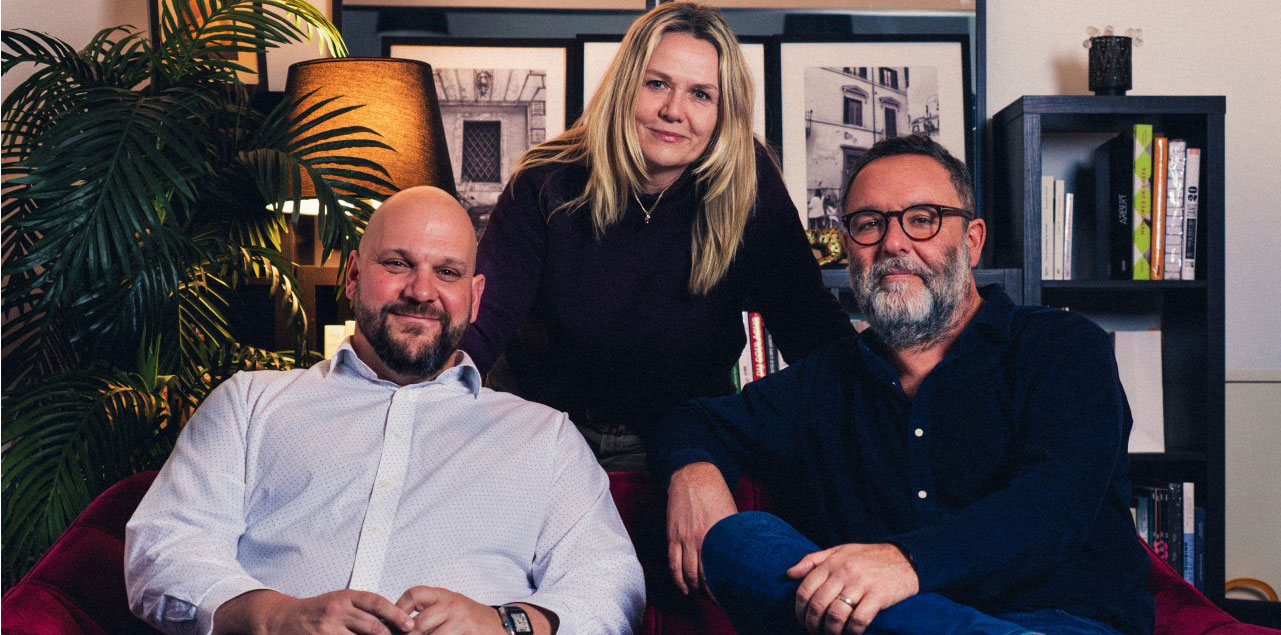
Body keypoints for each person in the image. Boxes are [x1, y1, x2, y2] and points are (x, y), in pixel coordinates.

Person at [650, 135, 1154, 635]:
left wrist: (907, 562)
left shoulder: (1061, 346)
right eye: (869, 225)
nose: (894, 243)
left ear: (972, 241)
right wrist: (692, 472)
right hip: (882, 623)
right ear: (850, 250)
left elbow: (1053, 504)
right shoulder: (825, 379)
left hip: (1058, 622)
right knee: (737, 541)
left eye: (922, 219)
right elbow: (694, 420)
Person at [125, 187, 644, 635]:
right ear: (352, 275)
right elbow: (164, 549)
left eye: (447, 272)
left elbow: (610, 583)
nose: (421, 291)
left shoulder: (544, 437)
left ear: (476, 297)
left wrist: (505, 622)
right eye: (397, 264)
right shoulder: (250, 404)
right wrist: (277, 617)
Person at [460, 2, 853, 471]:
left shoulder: (748, 182)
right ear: (627, 86)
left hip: (682, 439)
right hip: (538, 427)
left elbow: (808, 322)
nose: (674, 111)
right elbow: (480, 321)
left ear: (725, 111)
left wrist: (893, 392)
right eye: (657, 83)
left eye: (701, 94)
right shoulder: (547, 180)